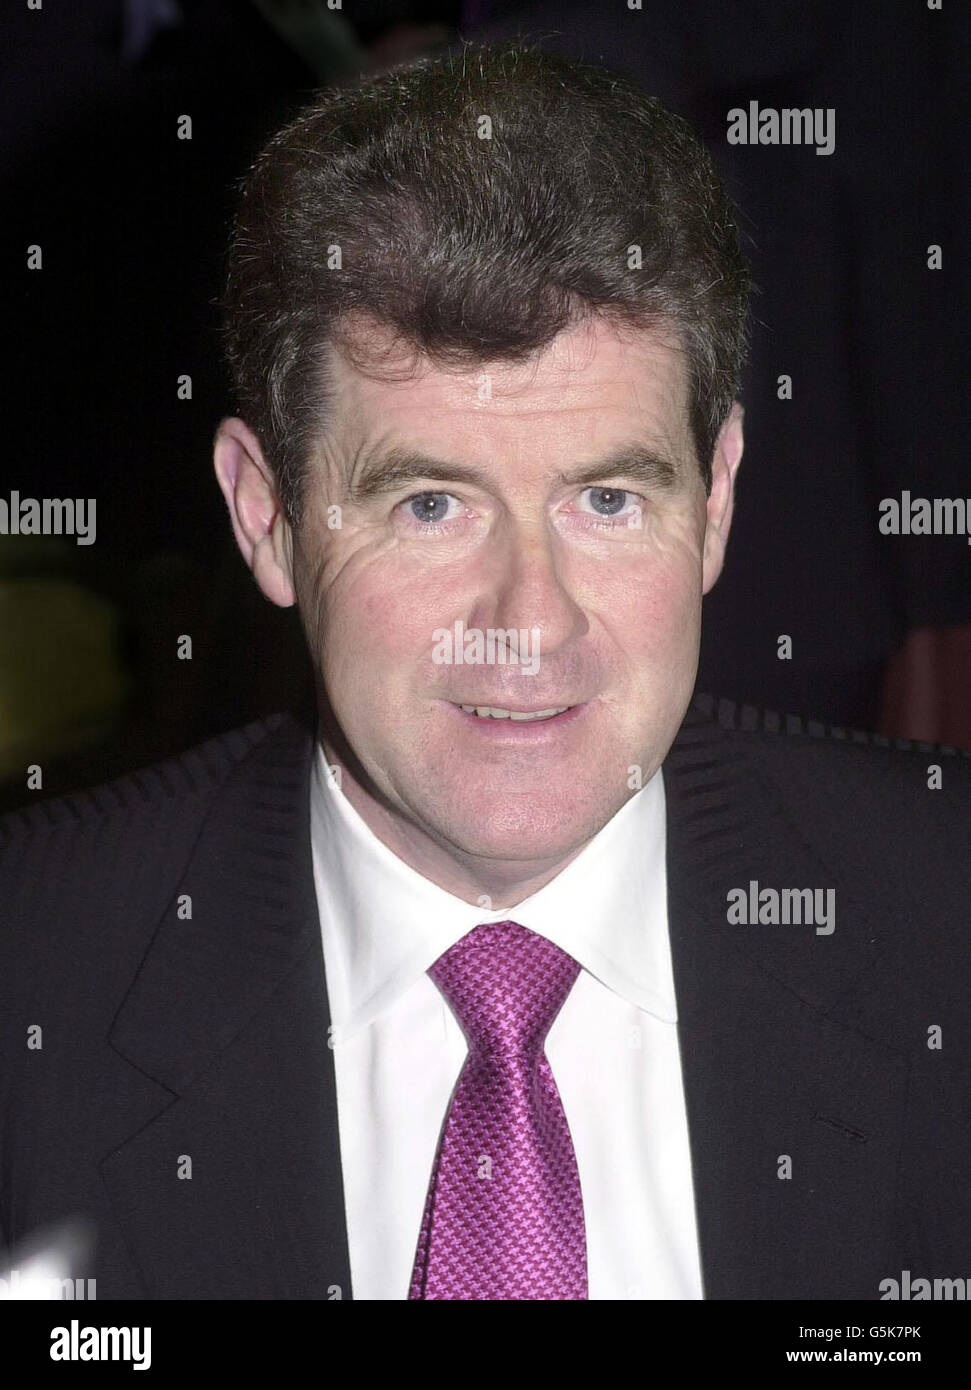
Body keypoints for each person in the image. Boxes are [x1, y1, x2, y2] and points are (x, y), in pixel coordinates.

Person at [1, 41, 969, 1302]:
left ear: (716, 502)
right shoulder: (33, 980)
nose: (529, 622)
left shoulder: (941, 923)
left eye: (607, 500)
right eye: (429, 506)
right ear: (266, 517)